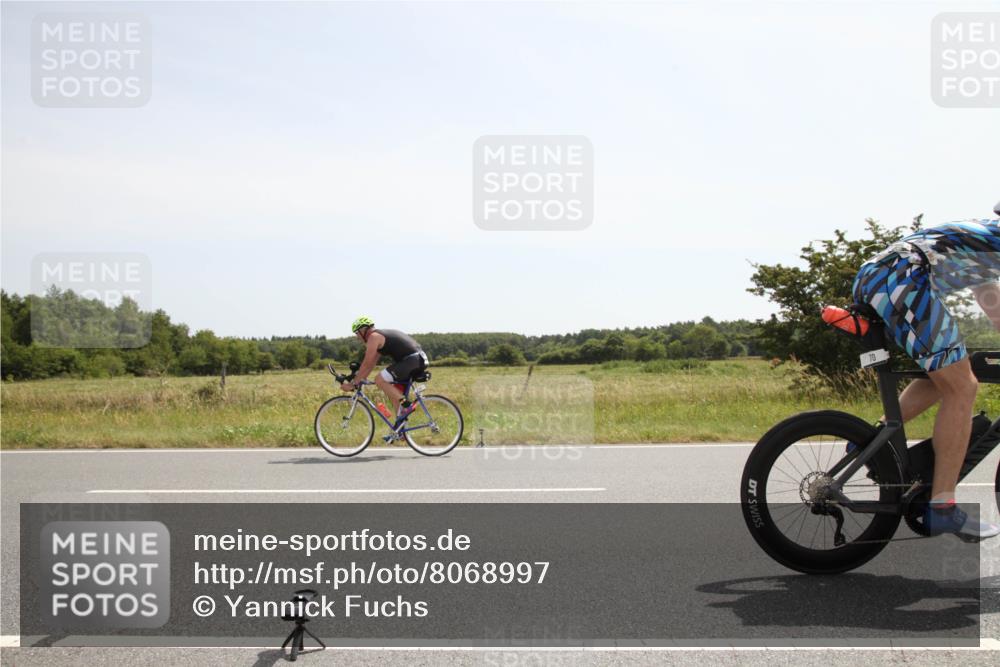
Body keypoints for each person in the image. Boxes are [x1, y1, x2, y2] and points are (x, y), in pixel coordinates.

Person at [851, 202, 1000, 540]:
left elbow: (992, 303)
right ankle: (943, 506)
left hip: (884, 277)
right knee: (962, 387)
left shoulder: (985, 240)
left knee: (948, 372)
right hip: (903, 281)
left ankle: (869, 444)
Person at [342, 316, 428, 418]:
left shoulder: (373, 337)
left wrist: (353, 384)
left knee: (379, 379)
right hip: (418, 360)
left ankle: (407, 405)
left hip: (412, 360)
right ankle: (400, 431)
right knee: (395, 394)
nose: (357, 337)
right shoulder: (379, 336)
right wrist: (360, 379)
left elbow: (366, 363)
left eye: (357, 333)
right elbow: (370, 365)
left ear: (363, 330)